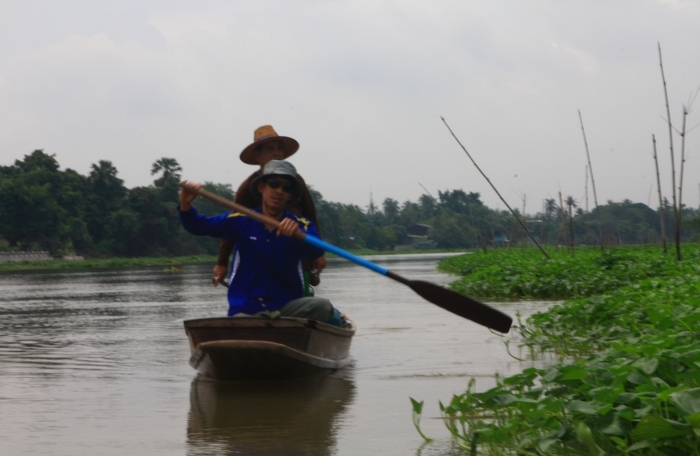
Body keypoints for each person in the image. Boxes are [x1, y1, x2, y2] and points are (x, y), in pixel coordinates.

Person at [179, 160, 344, 327]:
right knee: (237, 323)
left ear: (290, 195)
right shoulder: (241, 220)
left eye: (286, 188)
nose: (279, 191)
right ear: (261, 187)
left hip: (286, 311)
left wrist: (298, 235)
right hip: (246, 309)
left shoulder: (302, 225)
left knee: (322, 306)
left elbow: (316, 251)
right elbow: (199, 226)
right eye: (274, 184)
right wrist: (186, 204)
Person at [212, 125, 326, 288]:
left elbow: (310, 215)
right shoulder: (247, 188)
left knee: (299, 300)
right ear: (257, 156)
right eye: (270, 149)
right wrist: (222, 263)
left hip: (297, 252)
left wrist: (319, 251)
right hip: (263, 259)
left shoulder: (295, 180)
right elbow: (232, 225)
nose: (277, 153)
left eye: (279, 149)